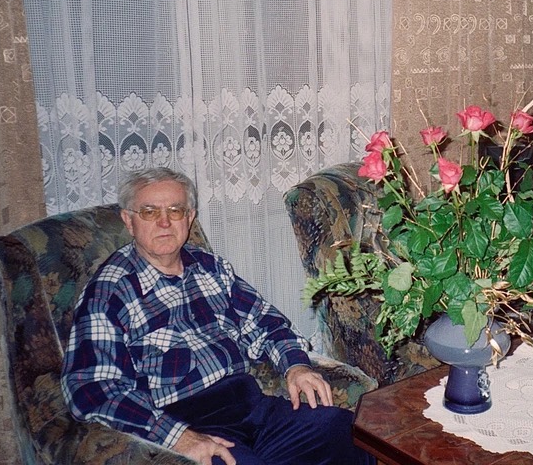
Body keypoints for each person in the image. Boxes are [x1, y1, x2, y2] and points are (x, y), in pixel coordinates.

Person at [62, 167, 373, 465]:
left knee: (346, 431)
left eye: (175, 210)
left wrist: (296, 366)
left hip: (251, 408)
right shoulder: (109, 291)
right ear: (128, 221)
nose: (165, 222)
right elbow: (92, 388)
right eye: (149, 212)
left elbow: (267, 322)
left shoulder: (210, 267)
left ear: (190, 217)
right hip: (184, 421)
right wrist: (178, 437)